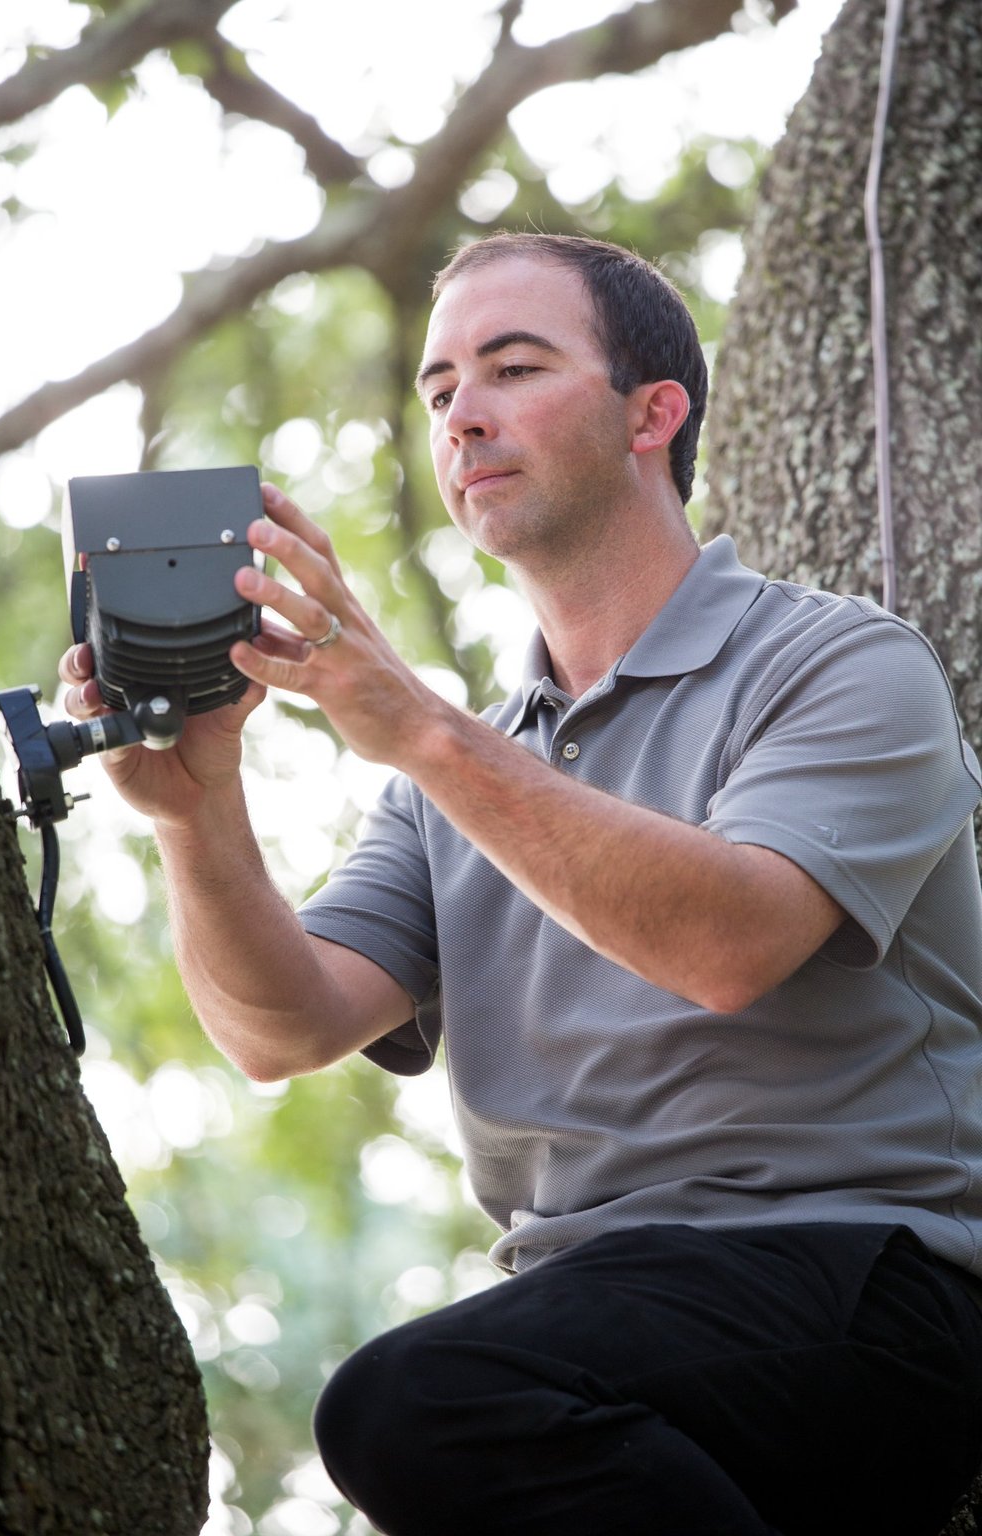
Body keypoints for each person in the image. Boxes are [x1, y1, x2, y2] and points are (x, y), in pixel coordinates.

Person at [60, 232, 982, 1536]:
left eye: (513, 366)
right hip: (589, 1318)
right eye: (440, 390)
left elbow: (730, 944)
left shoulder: (841, 666)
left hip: (860, 1288)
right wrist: (197, 815)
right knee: (432, 1400)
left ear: (652, 412)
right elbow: (283, 1028)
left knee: (410, 1401)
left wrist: (424, 731)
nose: (463, 414)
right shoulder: (456, 783)